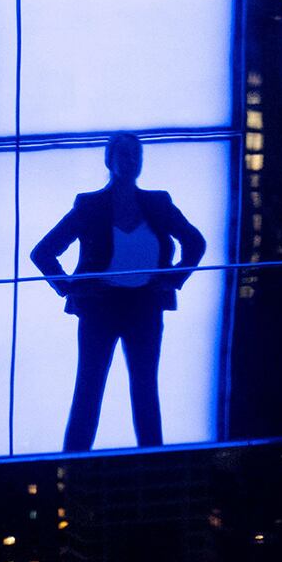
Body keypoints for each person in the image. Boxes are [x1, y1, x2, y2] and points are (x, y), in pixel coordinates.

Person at [29, 134, 208, 451]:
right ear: (109, 160)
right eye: (124, 154)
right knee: (89, 388)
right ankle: (74, 463)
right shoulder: (90, 206)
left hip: (144, 307)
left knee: (144, 390)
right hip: (101, 308)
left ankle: (152, 461)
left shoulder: (158, 203)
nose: (131, 160)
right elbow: (43, 251)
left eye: (136, 154)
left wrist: (174, 279)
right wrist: (72, 288)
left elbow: (195, 242)